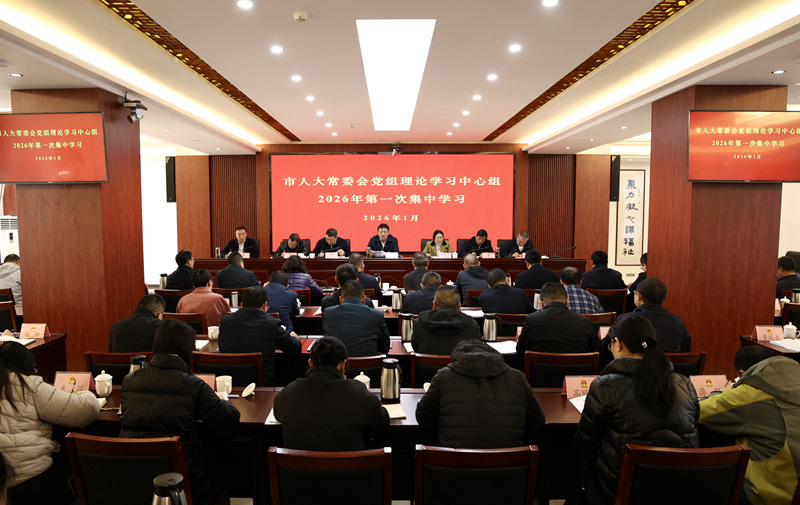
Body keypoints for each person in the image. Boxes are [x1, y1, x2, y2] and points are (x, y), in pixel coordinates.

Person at [574, 315, 699, 505]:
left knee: (579, 473)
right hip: (677, 491)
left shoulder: (605, 386)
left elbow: (584, 447)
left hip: (620, 494)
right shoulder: (685, 385)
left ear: (618, 344)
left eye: (611, 345)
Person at [121, 320, 240, 505]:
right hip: (183, 484)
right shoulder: (193, 385)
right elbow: (229, 420)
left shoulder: (129, 381)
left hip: (134, 479)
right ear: (186, 350)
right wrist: (221, 400)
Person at [0, 341, 99, 505]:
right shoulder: (25, 384)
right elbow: (87, 410)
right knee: (89, 469)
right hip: (30, 481)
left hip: (4, 485)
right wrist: (84, 393)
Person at [699, 346, 800, 505]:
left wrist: (726, 392)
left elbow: (698, 411)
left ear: (743, 374)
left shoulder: (751, 394)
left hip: (772, 497)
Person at [416, 339, 546, 448]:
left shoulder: (443, 377)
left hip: (453, 466)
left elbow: (424, 419)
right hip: (508, 467)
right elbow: (537, 422)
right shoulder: (518, 378)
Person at [273, 337, 389, 451]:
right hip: (350, 464)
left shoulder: (287, 394)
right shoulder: (358, 393)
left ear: (310, 363)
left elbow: (277, 414)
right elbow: (382, 422)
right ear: (343, 365)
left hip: (298, 464)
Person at [219, 286, 301, 385]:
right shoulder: (271, 324)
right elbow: (294, 348)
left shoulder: (225, 321)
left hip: (229, 383)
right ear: (265, 305)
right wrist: (293, 337)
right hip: (261, 385)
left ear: (241, 305)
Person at [606, 278, 691, 354]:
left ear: (639, 296)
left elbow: (608, 346)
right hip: (669, 366)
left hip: (635, 367)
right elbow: (685, 352)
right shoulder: (678, 322)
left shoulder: (626, 320)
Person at [516, 282, 599, 355]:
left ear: (541, 304)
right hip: (577, 368)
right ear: (567, 301)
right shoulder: (585, 321)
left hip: (540, 368)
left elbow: (520, 351)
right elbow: (599, 353)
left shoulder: (531, 320)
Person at [323, 280, 389, 357]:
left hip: (337, 363)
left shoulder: (328, 313)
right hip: (368, 363)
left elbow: (326, 340)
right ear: (364, 299)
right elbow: (385, 348)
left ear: (340, 299)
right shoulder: (377, 315)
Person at [412, 285, 481, 355]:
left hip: (426, 362)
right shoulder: (472, 326)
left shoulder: (419, 324)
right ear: (459, 307)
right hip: (460, 362)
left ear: (434, 305)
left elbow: (415, 347)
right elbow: (477, 351)